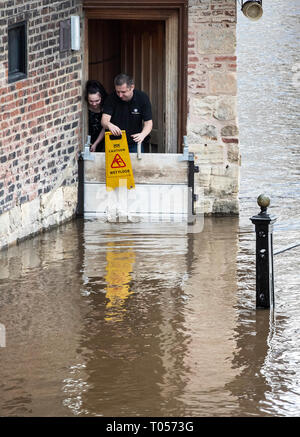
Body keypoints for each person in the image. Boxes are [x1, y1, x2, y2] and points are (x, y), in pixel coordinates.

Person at [101, 73, 153, 153]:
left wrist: (142, 135)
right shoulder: (111, 98)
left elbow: (148, 123)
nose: (120, 95)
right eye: (118, 92)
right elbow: (104, 120)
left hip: (134, 143)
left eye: (123, 92)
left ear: (132, 87)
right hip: (114, 142)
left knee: (137, 165)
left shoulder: (142, 98)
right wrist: (109, 125)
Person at [85, 80, 107, 152]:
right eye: (91, 101)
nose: (94, 104)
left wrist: (96, 143)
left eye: (97, 101)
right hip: (88, 139)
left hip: (103, 139)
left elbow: (105, 127)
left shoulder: (106, 106)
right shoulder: (84, 107)